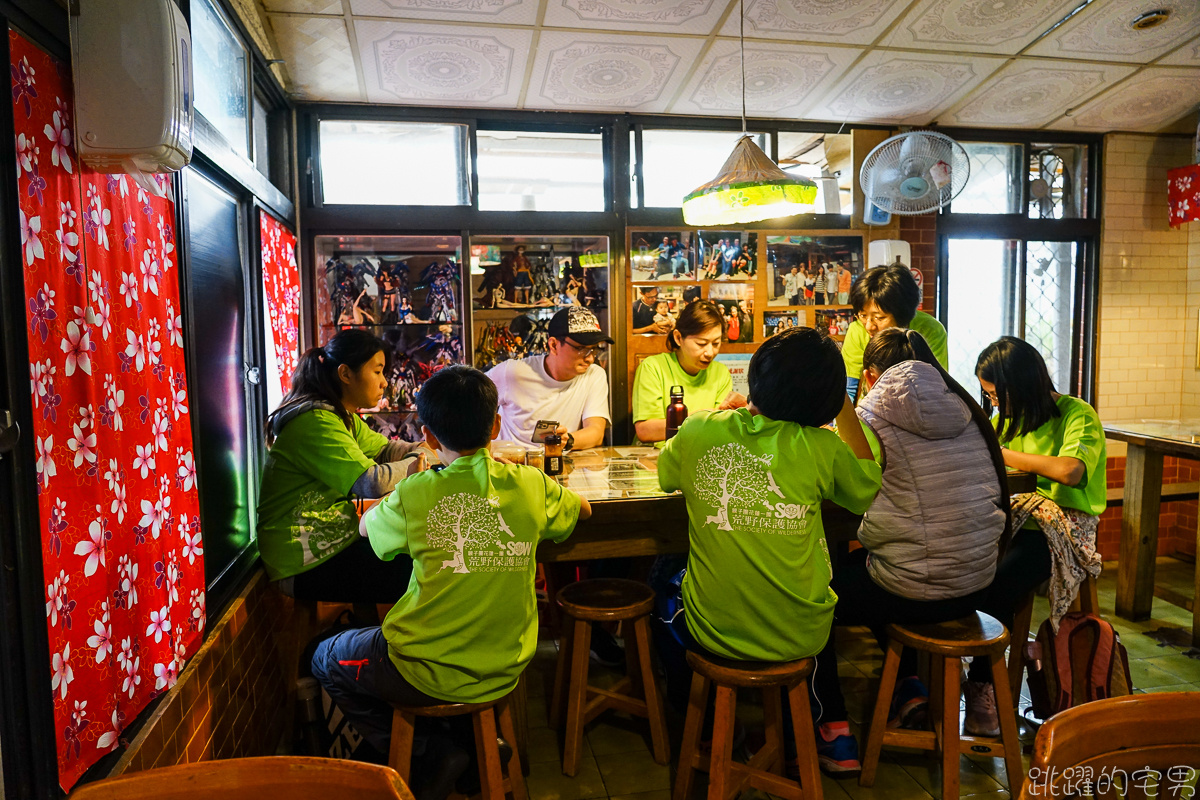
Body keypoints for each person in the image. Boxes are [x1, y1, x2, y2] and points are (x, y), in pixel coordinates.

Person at [311, 366, 591, 796]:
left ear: (428, 437)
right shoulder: (531, 484)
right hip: (506, 664)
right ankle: (471, 750)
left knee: (325, 657)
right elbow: (582, 510)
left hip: (423, 667)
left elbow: (368, 529)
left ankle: (429, 752)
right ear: (496, 425)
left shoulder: (415, 493)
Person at [652, 326, 881, 778]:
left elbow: (664, 476)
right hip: (803, 633)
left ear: (754, 380)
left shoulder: (701, 429)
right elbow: (866, 486)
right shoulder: (823, 447)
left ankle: (704, 726)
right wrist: (844, 406)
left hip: (715, 633)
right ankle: (813, 730)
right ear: (826, 401)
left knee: (662, 578)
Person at [809, 328, 1010, 773]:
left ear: (869, 376)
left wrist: (845, 407)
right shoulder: (967, 410)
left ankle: (833, 729)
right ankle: (909, 689)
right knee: (882, 571)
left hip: (919, 587)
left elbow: (848, 486)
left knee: (815, 597)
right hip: (977, 583)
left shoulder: (870, 417)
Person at [965, 336, 1104, 737]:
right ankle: (980, 663)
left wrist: (1001, 453)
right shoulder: (1006, 421)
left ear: (1020, 385)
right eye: (987, 395)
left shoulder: (1075, 413)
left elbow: (1069, 472)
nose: (993, 404)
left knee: (1000, 578)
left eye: (995, 394)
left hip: (1064, 524)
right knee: (961, 562)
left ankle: (982, 686)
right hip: (1016, 521)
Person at [257, 329, 423, 602]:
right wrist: (420, 461)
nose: (384, 383)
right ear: (346, 374)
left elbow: (386, 450)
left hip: (334, 542)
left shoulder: (342, 416)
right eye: (378, 371)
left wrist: (426, 448)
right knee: (421, 570)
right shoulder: (316, 422)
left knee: (417, 553)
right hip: (303, 559)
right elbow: (371, 481)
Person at [488, 305, 611, 450]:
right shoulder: (512, 372)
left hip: (559, 462)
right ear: (553, 345)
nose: (590, 358)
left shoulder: (594, 374)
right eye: (581, 349)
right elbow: (468, 403)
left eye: (594, 349)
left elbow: (596, 432)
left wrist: (566, 440)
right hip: (511, 463)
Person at [631, 300, 747, 445]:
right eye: (701, 344)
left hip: (701, 456)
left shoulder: (720, 372)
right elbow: (646, 431)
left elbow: (719, 428)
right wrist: (703, 417)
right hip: (657, 458)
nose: (710, 352)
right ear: (678, 338)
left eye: (716, 343)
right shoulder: (653, 368)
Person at [842, 264, 948, 401]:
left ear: (902, 314)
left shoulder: (929, 330)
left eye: (879, 318)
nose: (869, 326)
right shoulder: (856, 331)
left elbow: (936, 388)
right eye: (862, 315)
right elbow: (850, 390)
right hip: (868, 416)